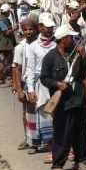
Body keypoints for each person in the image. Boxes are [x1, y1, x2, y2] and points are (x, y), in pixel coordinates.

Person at [41, 25, 86, 170]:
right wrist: (57, 84)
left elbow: (83, 74)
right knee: (62, 132)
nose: (73, 39)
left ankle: (80, 161)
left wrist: (83, 57)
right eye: (70, 37)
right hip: (62, 102)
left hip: (78, 98)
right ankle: (58, 164)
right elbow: (44, 78)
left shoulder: (76, 53)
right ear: (63, 40)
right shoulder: (50, 57)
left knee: (80, 132)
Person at [24, 13, 57, 155]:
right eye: (46, 27)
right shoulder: (32, 47)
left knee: (58, 116)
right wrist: (30, 89)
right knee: (46, 116)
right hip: (41, 86)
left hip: (56, 83)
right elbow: (30, 70)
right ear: (40, 27)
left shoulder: (57, 43)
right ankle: (51, 148)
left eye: (51, 27)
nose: (49, 30)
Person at [13, 19, 39, 150]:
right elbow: (16, 68)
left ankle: (41, 138)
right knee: (27, 112)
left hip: (40, 82)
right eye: (26, 29)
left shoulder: (40, 44)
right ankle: (28, 138)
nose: (28, 32)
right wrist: (19, 89)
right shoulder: (20, 47)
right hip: (25, 82)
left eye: (31, 29)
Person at [0, 4, 15, 88]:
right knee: (1, 64)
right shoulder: (1, 21)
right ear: (7, 12)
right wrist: (14, 28)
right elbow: (6, 32)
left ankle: (7, 79)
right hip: (2, 47)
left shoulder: (4, 19)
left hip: (6, 46)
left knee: (7, 63)